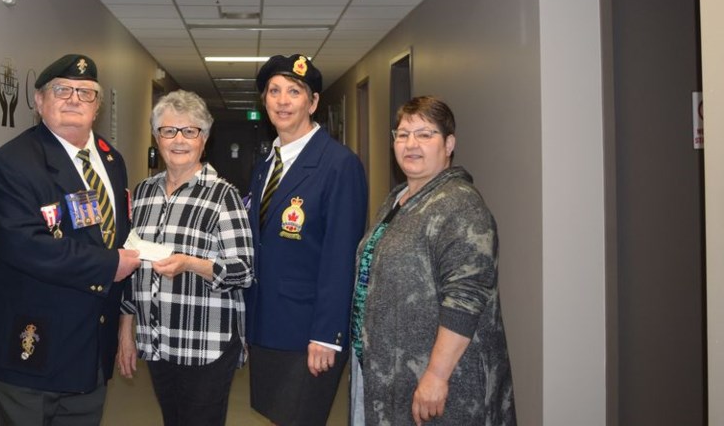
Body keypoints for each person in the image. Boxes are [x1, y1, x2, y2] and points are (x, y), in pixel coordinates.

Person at [0, 53, 141, 426]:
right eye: (61, 90)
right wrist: (111, 265)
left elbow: (116, 234)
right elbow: (23, 246)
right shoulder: (12, 163)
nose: (74, 99)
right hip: (30, 343)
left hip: (90, 344)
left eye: (85, 92)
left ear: (97, 107)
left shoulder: (112, 160)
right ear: (39, 101)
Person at [350, 96, 516, 426]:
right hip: (392, 370)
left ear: (449, 143)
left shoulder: (459, 205)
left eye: (425, 134)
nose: (411, 144)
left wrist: (436, 376)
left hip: (441, 380)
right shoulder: (399, 199)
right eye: (402, 134)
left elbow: (465, 299)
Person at [117, 90, 254, 426]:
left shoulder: (224, 196)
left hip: (205, 344)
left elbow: (244, 271)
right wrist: (126, 332)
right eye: (168, 130)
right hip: (158, 341)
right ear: (157, 137)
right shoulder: (144, 192)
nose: (178, 140)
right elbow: (133, 266)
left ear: (203, 139)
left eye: (190, 131)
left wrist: (190, 263)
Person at [245, 54, 368, 426]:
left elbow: (340, 255)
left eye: (294, 92)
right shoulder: (268, 163)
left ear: (312, 102)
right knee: (277, 417)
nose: (282, 100)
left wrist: (328, 335)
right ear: (264, 101)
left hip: (308, 331)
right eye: (274, 91)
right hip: (267, 323)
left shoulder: (338, 165)